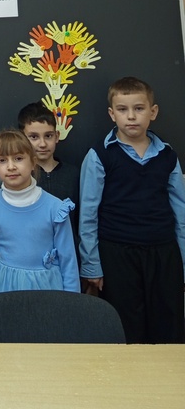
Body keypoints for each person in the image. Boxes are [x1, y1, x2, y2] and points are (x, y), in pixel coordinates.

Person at [79, 76, 185, 344]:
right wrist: (92, 265)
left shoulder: (168, 155)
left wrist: (183, 261)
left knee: (168, 324)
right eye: (123, 110)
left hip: (163, 253)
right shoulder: (100, 155)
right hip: (117, 254)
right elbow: (88, 215)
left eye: (139, 108)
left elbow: (181, 212)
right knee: (126, 327)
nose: (131, 116)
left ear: (153, 112)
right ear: (111, 114)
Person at [0, 129, 79, 295]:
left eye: (18, 158)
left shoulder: (56, 208)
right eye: (2, 160)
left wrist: (72, 302)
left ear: (33, 162)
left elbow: (68, 262)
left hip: (48, 290)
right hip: (6, 290)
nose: (11, 166)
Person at [18, 102, 80, 253]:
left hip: (68, 255)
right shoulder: (19, 177)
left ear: (57, 136)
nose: (42, 144)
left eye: (48, 136)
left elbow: (82, 221)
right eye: (34, 137)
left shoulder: (74, 174)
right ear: (22, 138)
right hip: (30, 255)